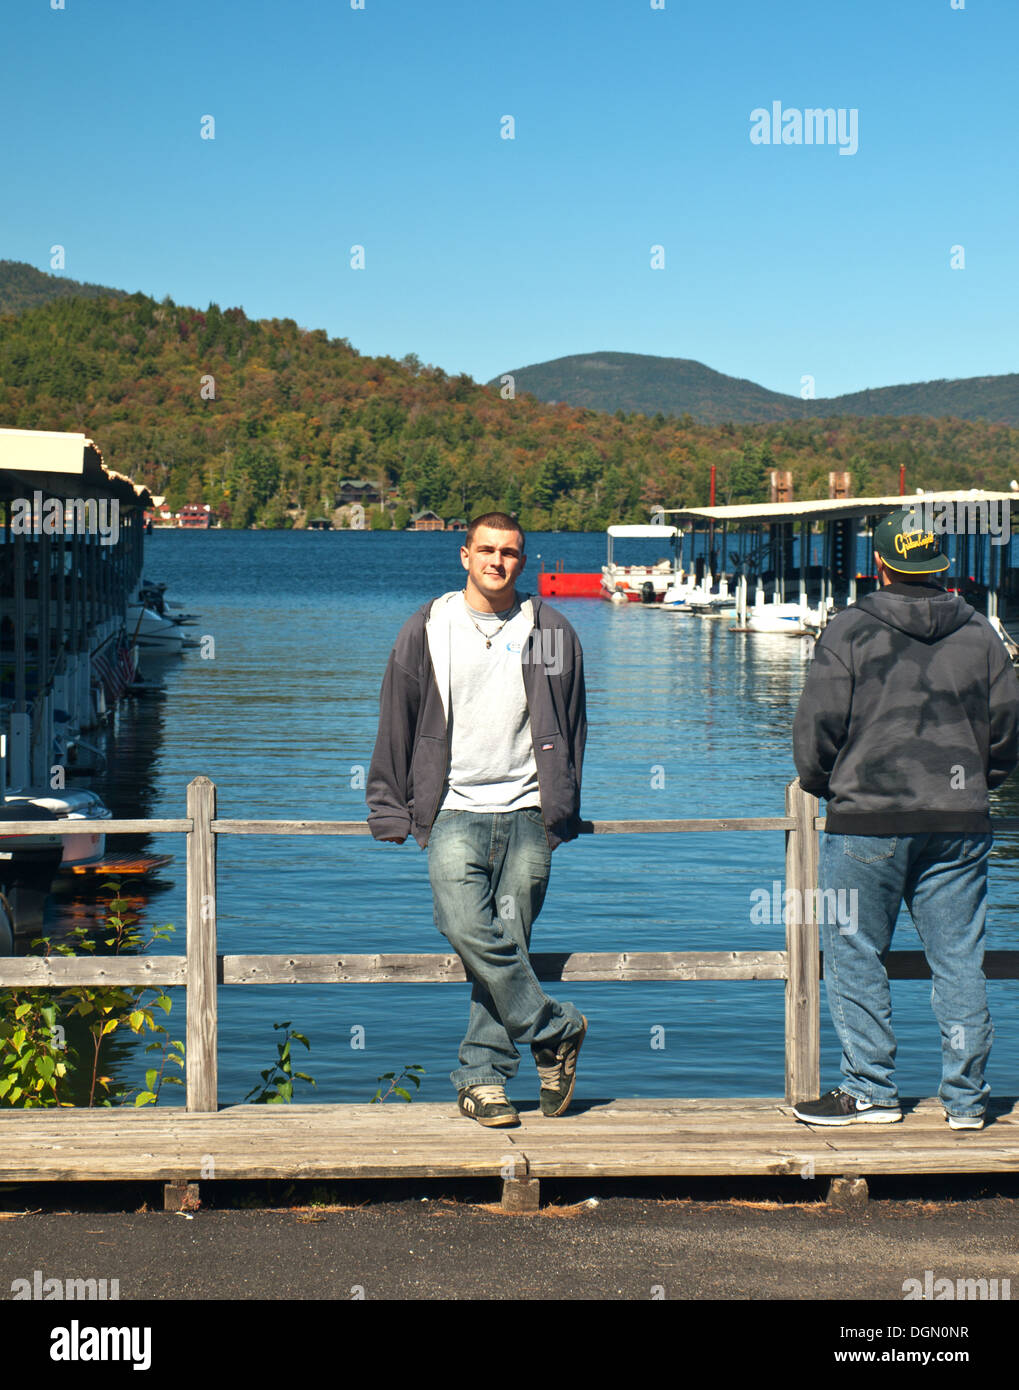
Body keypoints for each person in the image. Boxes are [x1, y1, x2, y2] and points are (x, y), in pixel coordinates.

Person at [792, 507, 1019, 1130]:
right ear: (940, 564)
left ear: (881, 563)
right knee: (959, 959)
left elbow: (817, 729)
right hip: (960, 823)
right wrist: (974, 784)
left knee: (853, 952)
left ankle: (870, 1093)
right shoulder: (980, 633)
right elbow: (1005, 731)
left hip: (867, 820)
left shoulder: (848, 629)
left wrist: (829, 786)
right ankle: (968, 1102)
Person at [366, 512, 588, 1127]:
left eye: (510, 553)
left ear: (523, 561)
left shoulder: (547, 628)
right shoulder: (430, 627)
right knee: (466, 926)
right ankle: (554, 1030)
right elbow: (397, 719)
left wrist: (562, 805)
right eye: (487, 551)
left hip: (526, 813)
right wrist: (389, 806)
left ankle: (483, 1079)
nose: (498, 562)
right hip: (453, 810)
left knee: (507, 944)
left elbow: (571, 723)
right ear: (464, 556)